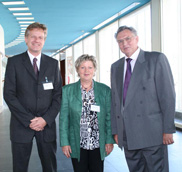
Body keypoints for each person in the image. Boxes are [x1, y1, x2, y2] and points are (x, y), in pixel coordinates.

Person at [110, 26, 176, 172]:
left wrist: (168, 129)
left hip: (152, 133)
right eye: (120, 41)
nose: (124, 43)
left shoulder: (156, 59)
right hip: (127, 134)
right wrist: (116, 130)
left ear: (137, 39)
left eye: (128, 38)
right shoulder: (116, 67)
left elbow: (168, 97)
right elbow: (114, 101)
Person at [3, 22, 62, 172]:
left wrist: (45, 119)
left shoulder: (53, 64)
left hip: (46, 126)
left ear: (44, 40)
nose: (37, 40)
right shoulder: (14, 62)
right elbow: (9, 94)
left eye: (40, 37)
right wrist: (28, 120)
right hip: (21, 126)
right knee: (20, 167)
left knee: (50, 167)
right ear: (26, 39)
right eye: (33, 37)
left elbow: (57, 95)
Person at [59, 54, 114, 172]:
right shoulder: (67, 91)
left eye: (90, 67)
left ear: (94, 70)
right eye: (82, 67)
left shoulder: (105, 90)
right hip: (77, 142)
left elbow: (109, 118)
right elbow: (64, 119)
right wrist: (64, 142)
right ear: (78, 70)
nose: (86, 70)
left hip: (98, 143)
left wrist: (109, 140)